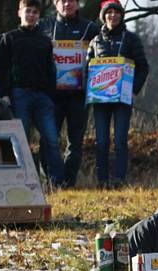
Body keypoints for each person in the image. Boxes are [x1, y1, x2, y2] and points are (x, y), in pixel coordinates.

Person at [0, 0, 64, 188]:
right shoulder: (9, 38)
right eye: (28, 11)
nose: (31, 15)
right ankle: (19, 181)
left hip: (43, 97)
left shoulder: (44, 41)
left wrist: (50, 95)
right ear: (20, 13)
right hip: (19, 95)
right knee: (19, 140)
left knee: (51, 140)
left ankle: (57, 182)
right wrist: (5, 94)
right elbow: (1, 69)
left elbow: (51, 71)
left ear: (38, 16)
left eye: (35, 12)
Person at [86, 0, 149, 188]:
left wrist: (134, 90)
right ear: (103, 16)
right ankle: (102, 180)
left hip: (123, 99)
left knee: (120, 140)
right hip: (100, 100)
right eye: (109, 13)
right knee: (102, 141)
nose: (112, 16)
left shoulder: (131, 39)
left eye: (116, 12)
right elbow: (87, 69)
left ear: (121, 15)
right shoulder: (95, 41)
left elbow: (143, 67)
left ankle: (119, 180)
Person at [38, 0, 99, 188]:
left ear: (78, 4)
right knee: (48, 139)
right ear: (56, 4)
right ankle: (48, 181)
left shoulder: (90, 28)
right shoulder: (44, 26)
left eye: (71, 1)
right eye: (62, 1)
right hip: (51, 96)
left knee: (75, 142)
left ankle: (68, 182)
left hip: (78, 96)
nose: (67, 4)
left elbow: (102, 57)